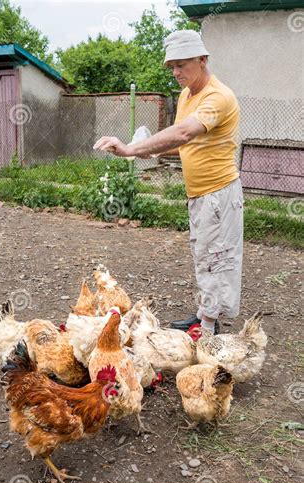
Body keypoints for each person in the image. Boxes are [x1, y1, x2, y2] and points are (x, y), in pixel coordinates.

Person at [93, 30, 243, 334]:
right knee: (204, 256)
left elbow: (184, 133)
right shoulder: (189, 95)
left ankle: (209, 330)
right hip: (200, 194)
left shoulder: (218, 97)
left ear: (202, 60)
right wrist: (145, 147)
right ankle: (205, 315)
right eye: (171, 66)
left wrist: (132, 148)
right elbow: (181, 143)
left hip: (218, 193)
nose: (175, 72)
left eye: (182, 64)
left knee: (216, 258)